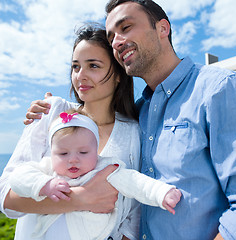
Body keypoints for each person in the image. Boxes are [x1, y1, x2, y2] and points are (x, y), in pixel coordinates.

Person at [23, 0, 236, 239]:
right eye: (111, 36)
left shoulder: (220, 90)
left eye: (125, 27)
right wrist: (58, 109)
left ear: (163, 28)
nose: (116, 41)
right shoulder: (140, 113)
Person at [0, 24, 144, 240]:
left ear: (118, 75)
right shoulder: (52, 111)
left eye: (93, 66)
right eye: (75, 67)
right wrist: (80, 198)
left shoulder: (133, 131)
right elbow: (6, 198)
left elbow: (133, 215)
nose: (81, 76)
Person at [9, 109, 181, 240]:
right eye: (63, 154)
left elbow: (135, 182)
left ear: (96, 150)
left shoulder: (105, 169)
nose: (73, 160)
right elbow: (18, 177)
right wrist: (43, 185)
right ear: (51, 153)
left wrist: (161, 193)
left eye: (83, 152)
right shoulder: (47, 169)